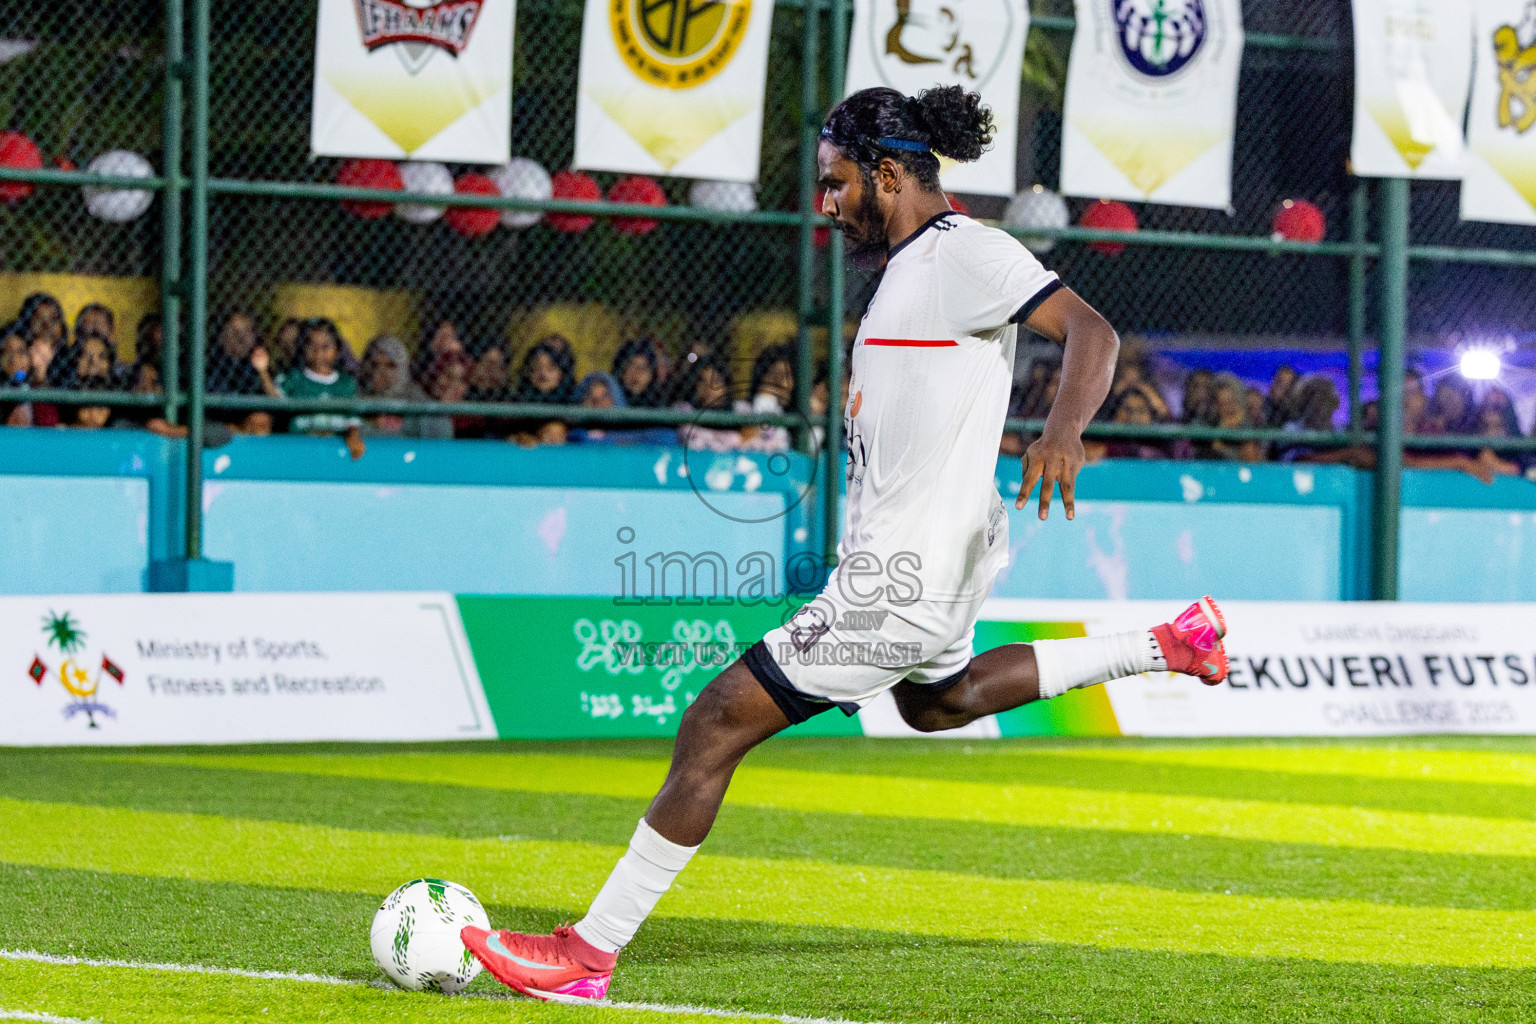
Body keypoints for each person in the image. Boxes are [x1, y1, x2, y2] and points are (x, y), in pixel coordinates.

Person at [461, 84, 1231, 1003]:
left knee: (714, 723)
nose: (825, 202)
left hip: (902, 581)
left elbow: (1091, 333)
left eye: (836, 182)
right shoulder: (910, 272)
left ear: (892, 173)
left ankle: (588, 954)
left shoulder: (965, 254)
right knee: (938, 703)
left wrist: (1062, 432)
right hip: (933, 559)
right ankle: (1169, 644)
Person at [253, 317, 365, 459]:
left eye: (325, 347)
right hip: (300, 448)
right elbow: (276, 397)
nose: (318, 353)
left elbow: (353, 420)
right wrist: (263, 371)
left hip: (335, 448)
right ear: (302, 348)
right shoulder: (295, 378)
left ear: (337, 350)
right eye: (311, 345)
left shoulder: (346, 383)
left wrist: (354, 438)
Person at [506, 336, 574, 446]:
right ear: (529, 373)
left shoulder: (572, 402)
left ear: (561, 373)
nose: (542, 373)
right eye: (537, 367)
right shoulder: (518, 403)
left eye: (550, 367)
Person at [359, 335, 431, 438]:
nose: (382, 372)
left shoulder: (414, 398)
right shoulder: (358, 399)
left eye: (390, 365)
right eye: (375, 365)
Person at [674, 355, 745, 451]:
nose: (708, 388)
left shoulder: (740, 409)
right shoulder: (685, 409)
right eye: (702, 381)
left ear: (726, 386)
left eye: (716, 381)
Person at [612, 338, 669, 408]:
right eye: (631, 365)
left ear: (652, 375)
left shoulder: (657, 406)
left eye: (644, 368)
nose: (637, 372)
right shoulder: (610, 400)